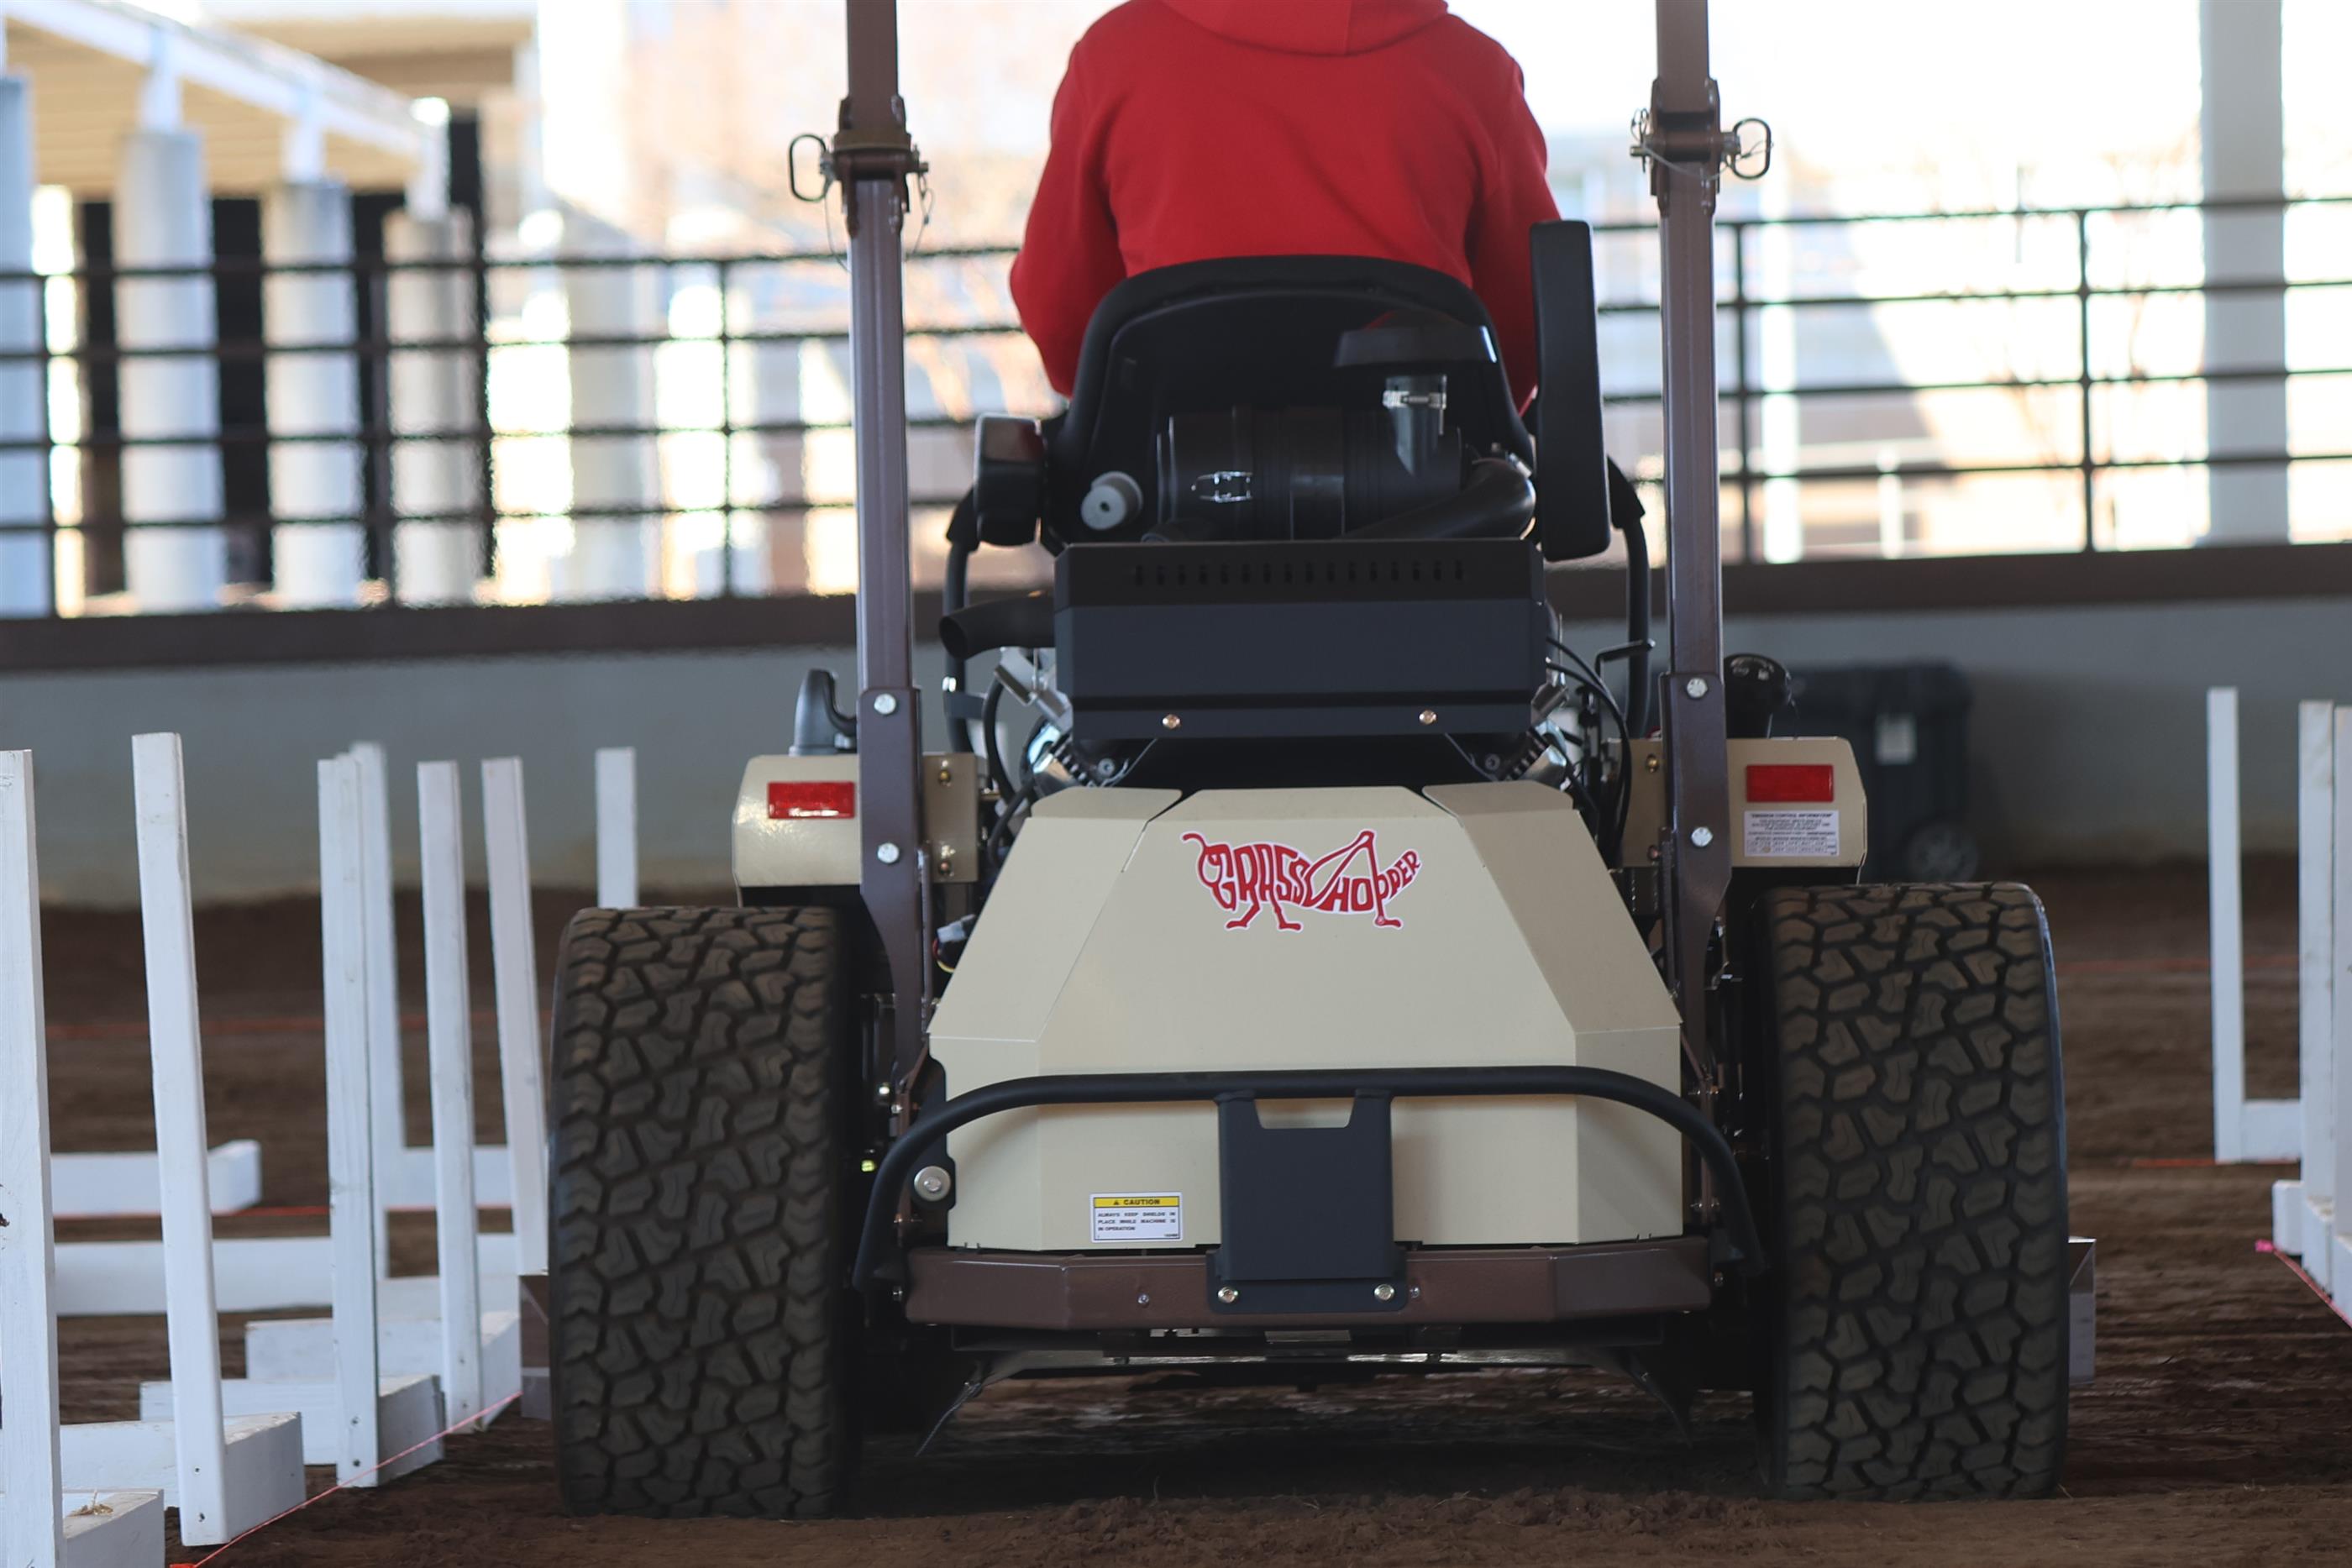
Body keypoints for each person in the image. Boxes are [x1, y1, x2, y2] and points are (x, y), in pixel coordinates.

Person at [1009, 0, 1559, 409]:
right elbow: (1532, 323)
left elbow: (1060, 316)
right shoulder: (1475, 72)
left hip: (1167, 495)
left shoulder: (1114, 58)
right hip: (1429, 490)